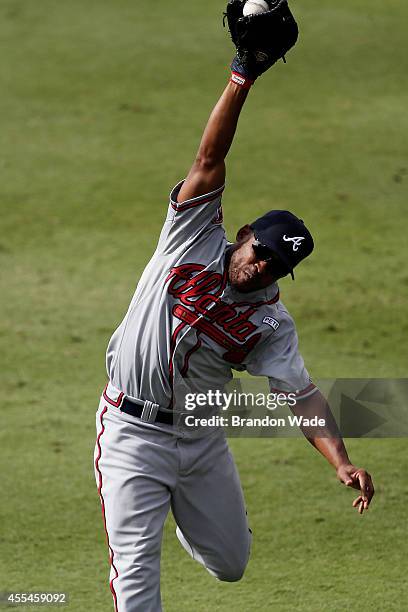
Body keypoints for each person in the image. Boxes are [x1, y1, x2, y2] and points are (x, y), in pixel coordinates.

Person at [94, 15, 374, 612]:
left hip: (200, 440)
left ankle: (179, 511)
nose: (261, 269)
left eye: (276, 267)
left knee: (231, 565)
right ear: (243, 234)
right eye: (260, 254)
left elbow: (301, 396)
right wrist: (242, 75)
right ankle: (144, 504)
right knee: (136, 584)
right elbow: (209, 156)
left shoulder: (270, 323)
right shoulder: (192, 237)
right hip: (131, 433)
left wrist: (342, 461)